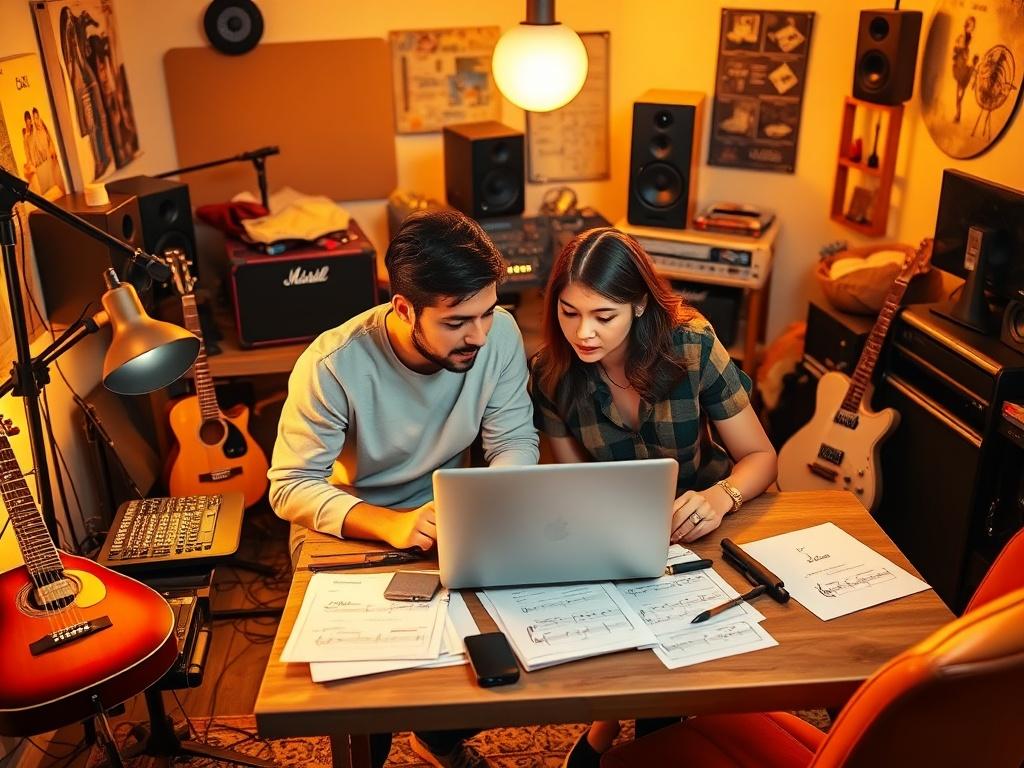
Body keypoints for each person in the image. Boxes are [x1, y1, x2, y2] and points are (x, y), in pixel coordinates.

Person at [269, 207, 539, 768]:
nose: (479, 335)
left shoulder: (501, 335)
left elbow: (513, 439)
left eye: (488, 313)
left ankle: (437, 738)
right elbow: (290, 486)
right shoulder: (332, 364)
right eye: (457, 321)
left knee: (512, 647)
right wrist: (391, 524)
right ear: (403, 308)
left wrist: (493, 503)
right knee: (370, 687)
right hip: (353, 525)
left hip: (453, 516)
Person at [529, 227, 777, 767]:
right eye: (569, 313)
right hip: (616, 525)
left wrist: (721, 498)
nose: (583, 332)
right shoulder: (551, 373)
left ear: (639, 304)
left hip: (707, 520)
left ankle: (616, 729)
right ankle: (620, 723)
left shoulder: (692, 345)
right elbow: (575, 485)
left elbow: (761, 457)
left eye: (604, 316)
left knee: (680, 660)